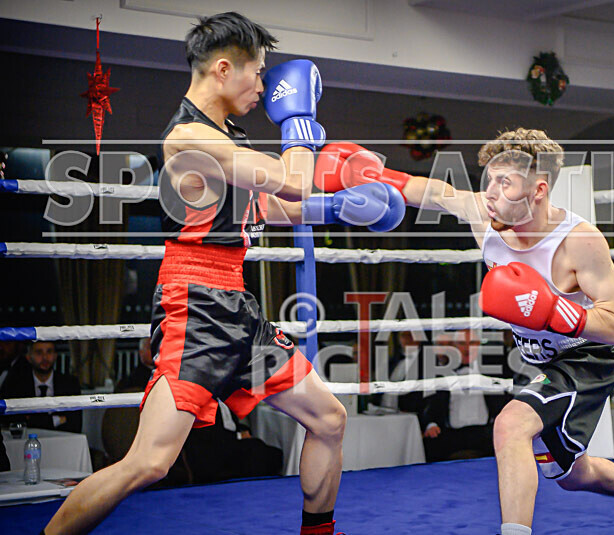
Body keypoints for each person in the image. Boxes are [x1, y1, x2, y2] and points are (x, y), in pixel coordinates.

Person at [42, 12, 403, 535]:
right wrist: (299, 125)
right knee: (149, 463)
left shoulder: (226, 135)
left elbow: (269, 206)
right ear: (224, 69)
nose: (263, 86)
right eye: (257, 72)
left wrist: (342, 207)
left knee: (329, 419)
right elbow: (292, 180)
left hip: (236, 305)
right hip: (195, 307)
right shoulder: (190, 138)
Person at [315, 130, 614, 535]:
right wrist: (370, 174)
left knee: (510, 424)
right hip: (543, 359)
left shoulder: (578, 241)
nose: (491, 193)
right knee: (572, 475)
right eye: (490, 180)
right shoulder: (486, 213)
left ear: (538, 190)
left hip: (586, 357)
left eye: (505, 183)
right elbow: (433, 192)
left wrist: (556, 311)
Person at [419, 330, 494, 462]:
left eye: (472, 343)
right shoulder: (440, 372)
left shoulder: (495, 371)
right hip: (451, 435)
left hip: (486, 434)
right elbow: (428, 403)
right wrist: (431, 424)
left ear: (479, 345)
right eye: (462, 343)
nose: (467, 348)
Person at [0, 341, 82, 433]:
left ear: (55, 356)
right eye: (39, 352)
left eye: (49, 352)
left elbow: (75, 424)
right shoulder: (16, 385)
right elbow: (10, 421)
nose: (45, 358)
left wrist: (31, 419)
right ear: (29, 357)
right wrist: (57, 420)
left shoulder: (70, 384)